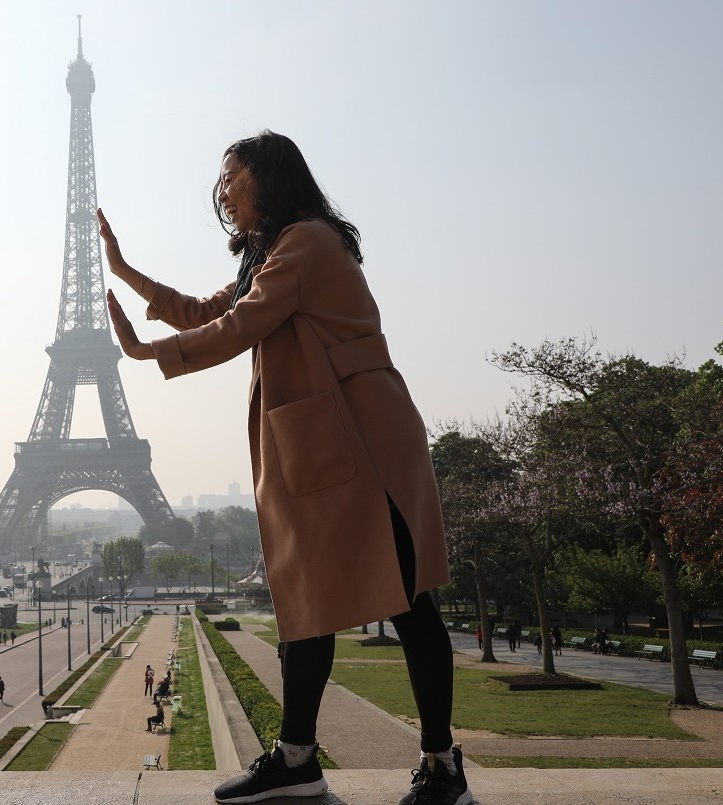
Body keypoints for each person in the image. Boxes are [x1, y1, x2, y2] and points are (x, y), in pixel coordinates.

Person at [101, 130, 469, 805]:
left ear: (268, 178)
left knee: (411, 603)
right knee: (309, 603)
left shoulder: (305, 243)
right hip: (325, 443)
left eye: (232, 179)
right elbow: (210, 310)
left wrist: (149, 352)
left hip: (368, 444)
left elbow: (237, 327)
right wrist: (124, 270)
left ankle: (442, 766)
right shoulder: (272, 255)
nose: (223, 194)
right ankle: (297, 757)